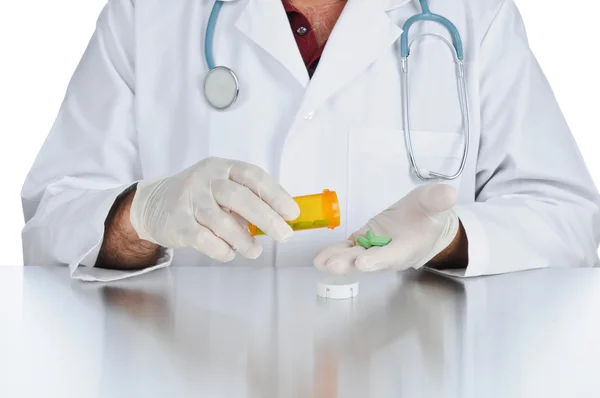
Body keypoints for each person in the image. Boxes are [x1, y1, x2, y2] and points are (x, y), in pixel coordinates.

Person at [21, 0, 600, 282]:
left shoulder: (476, 16)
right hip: (192, 376)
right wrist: (139, 215)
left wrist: (450, 239)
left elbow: (569, 217)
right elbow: (52, 220)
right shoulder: (146, 15)